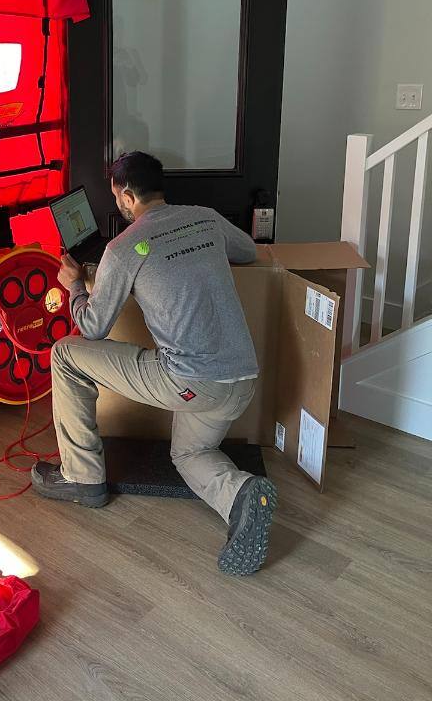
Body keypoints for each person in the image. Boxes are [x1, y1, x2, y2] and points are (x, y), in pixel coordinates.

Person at [31, 151, 277, 576]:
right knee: (189, 453)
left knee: (66, 354)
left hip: (191, 381)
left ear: (126, 196)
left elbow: (92, 327)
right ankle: (241, 493)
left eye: (117, 199)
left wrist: (74, 285)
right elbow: (250, 253)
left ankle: (82, 478)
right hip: (241, 378)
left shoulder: (123, 248)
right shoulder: (205, 217)